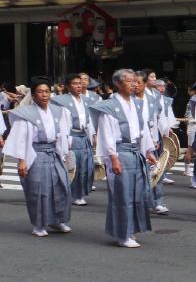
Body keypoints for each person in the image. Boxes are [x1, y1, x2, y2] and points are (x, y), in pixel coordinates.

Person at [90, 69, 158, 248]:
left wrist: (149, 150)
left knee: (137, 193)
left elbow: (142, 131)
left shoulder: (136, 104)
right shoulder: (109, 106)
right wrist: (113, 158)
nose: (134, 84)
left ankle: (131, 229)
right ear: (118, 84)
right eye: (129, 81)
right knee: (122, 194)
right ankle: (123, 233)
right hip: (120, 152)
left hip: (136, 151)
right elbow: (106, 135)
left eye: (135, 81)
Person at [4, 76, 72, 237]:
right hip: (35, 153)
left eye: (47, 91)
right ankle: (38, 224)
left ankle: (57, 220)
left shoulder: (58, 111)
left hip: (53, 152)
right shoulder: (26, 114)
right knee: (38, 190)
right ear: (33, 95)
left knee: (60, 187)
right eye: (40, 92)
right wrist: (22, 160)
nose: (44, 95)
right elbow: (20, 137)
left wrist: (64, 153)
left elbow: (63, 134)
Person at [50, 73, 95, 206]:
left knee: (86, 166)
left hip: (84, 135)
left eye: (80, 83)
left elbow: (90, 120)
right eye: (75, 84)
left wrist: (93, 135)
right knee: (73, 166)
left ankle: (79, 193)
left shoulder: (86, 100)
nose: (78, 86)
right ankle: (71, 193)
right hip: (71, 136)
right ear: (68, 87)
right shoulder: (61, 100)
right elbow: (60, 122)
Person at [134, 71, 169, 215]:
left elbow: (157, 118)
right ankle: (143, 201)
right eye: (152, 77)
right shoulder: (130, 98)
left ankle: (157, 201)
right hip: (136, 140)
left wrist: (158, 136)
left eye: (137, 82)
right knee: (140, 172)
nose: (135, 85)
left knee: (156, 170)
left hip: (152, 137)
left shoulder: (155, 95)